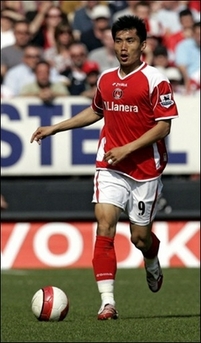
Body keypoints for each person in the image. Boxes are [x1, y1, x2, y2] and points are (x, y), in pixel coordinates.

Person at [30, 15, 179, 320]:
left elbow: (163, 127)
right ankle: (107, 303)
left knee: (140, 238)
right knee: (105, 225)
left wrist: (128, 147)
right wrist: (55, 128)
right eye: (119, 40)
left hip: (144, 169)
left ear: (143, 45)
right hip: (109, 165)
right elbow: (96, 111)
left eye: (131, 40)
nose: (124, 47)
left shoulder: (156, 80)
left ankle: (151, 259)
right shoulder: (106, 79)